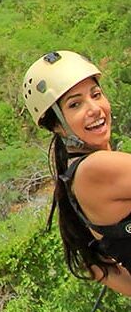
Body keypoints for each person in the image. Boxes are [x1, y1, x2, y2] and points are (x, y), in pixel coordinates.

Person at [22, 50, 131, 296]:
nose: (94, 109)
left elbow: (97, 269)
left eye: (96, 95)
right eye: (75, 104)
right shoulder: (96, 169)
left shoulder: (74, 179)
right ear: (57, 125)